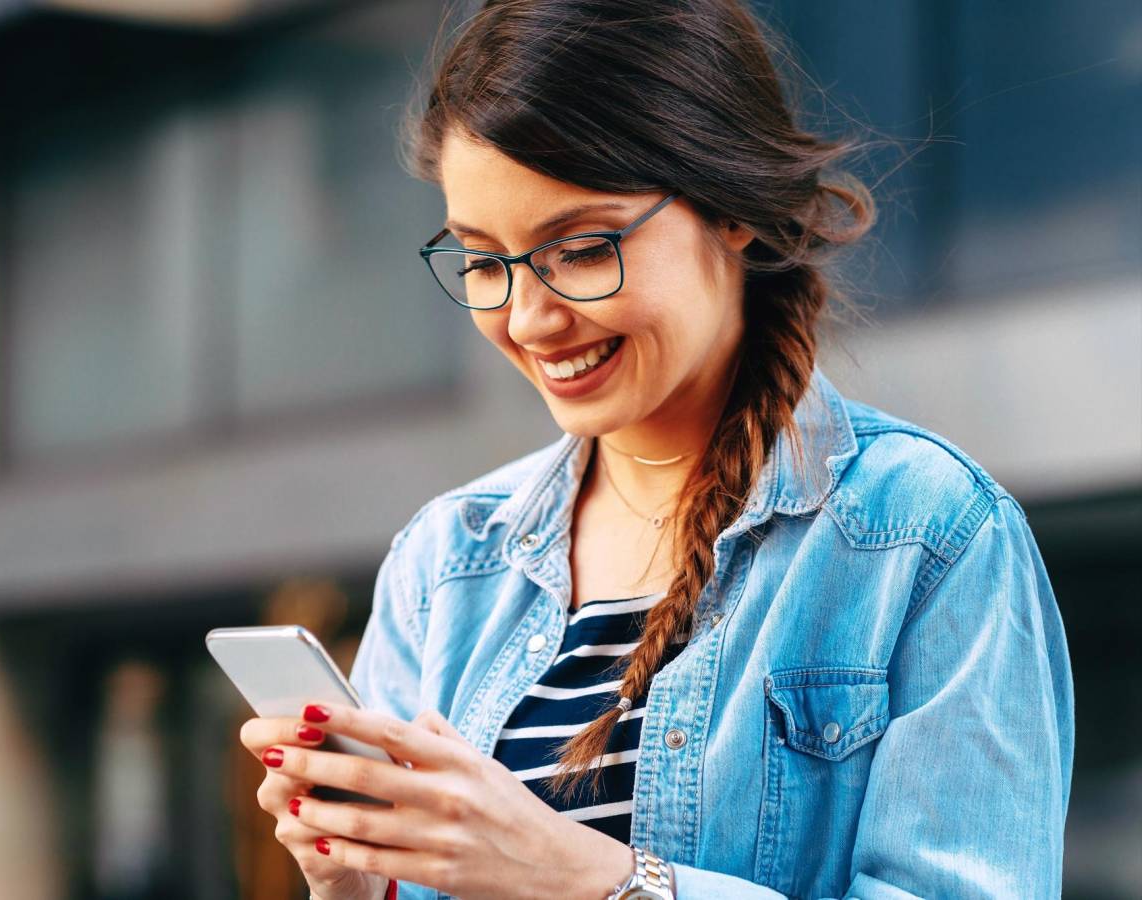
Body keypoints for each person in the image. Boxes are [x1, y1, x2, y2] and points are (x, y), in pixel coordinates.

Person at [238, 1, 1075, 897]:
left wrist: (595, 881)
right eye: (483, 262)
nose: (529, 319)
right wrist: (356, 883)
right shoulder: (446, 564)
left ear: (731, 208)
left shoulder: (923, 534)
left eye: (583, 249)